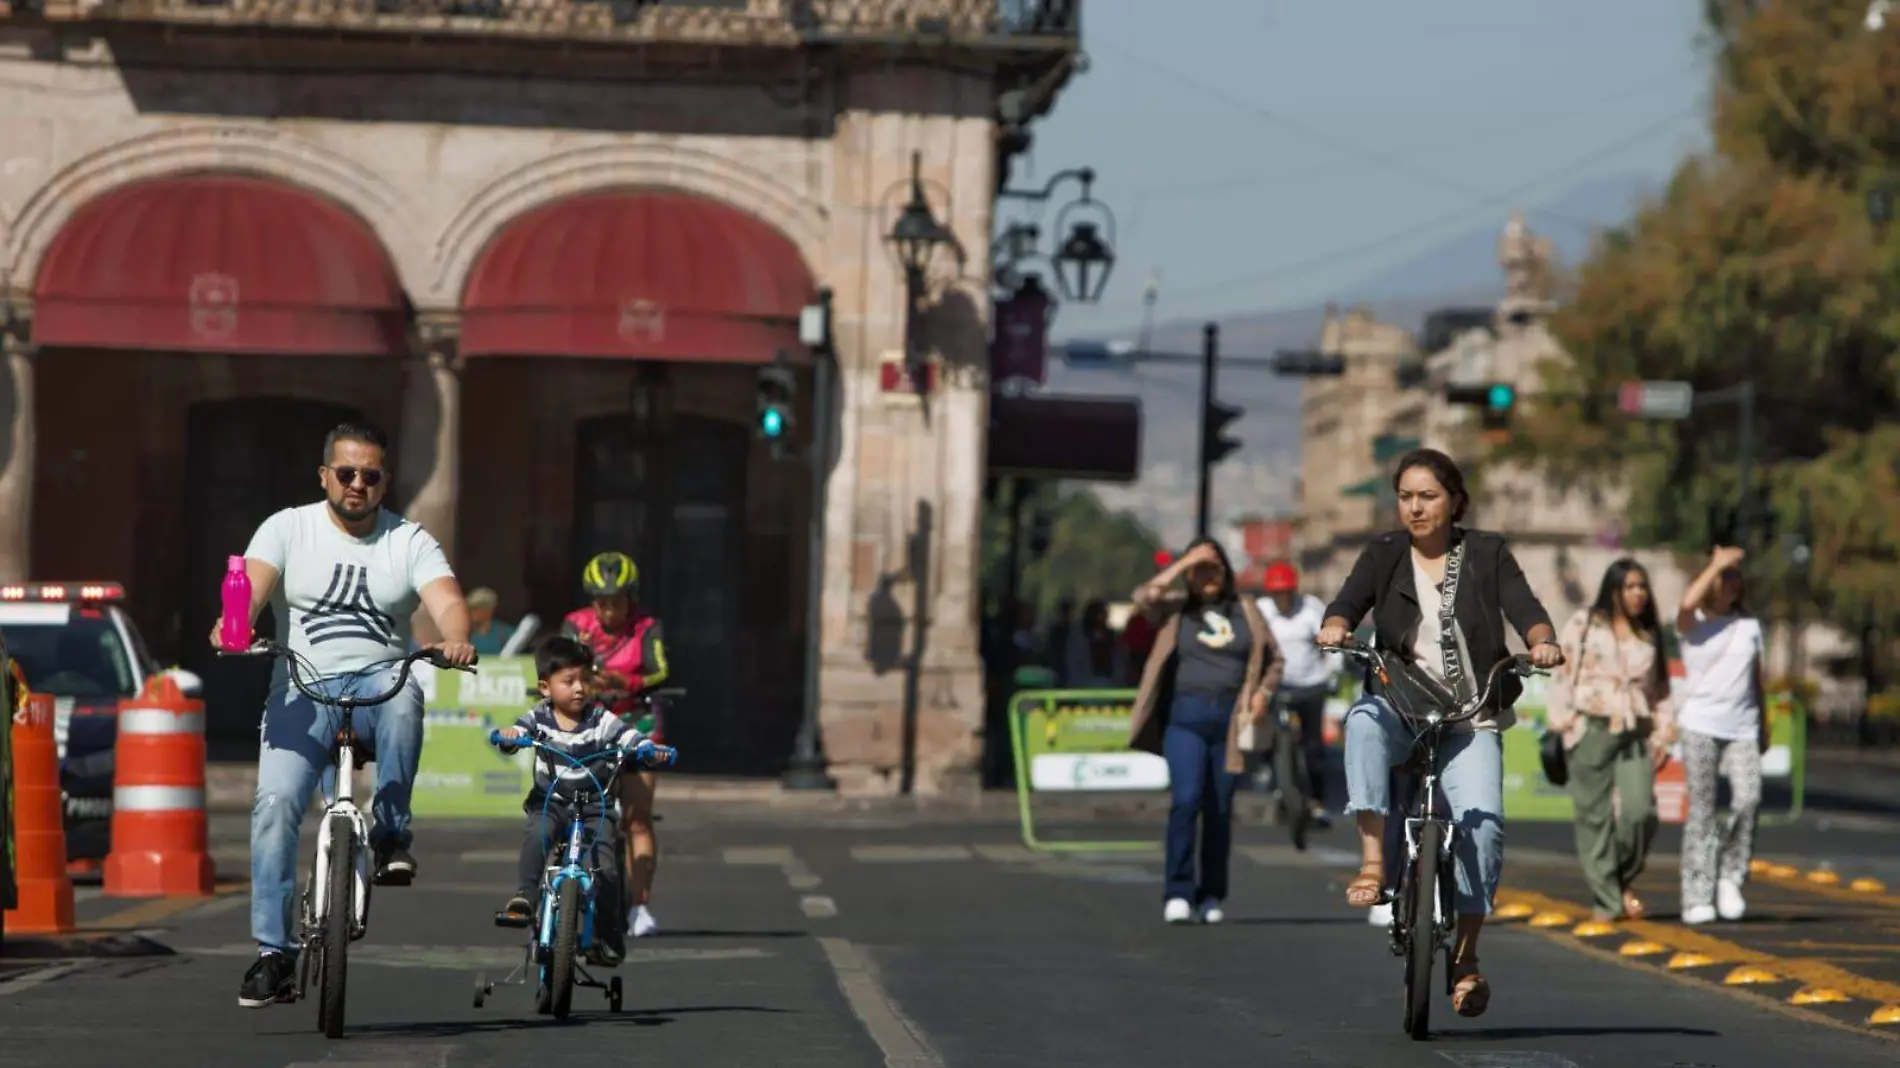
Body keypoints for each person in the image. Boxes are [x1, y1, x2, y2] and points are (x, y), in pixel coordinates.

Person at [218, 421, 477, 1008]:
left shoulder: (408, 540)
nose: (356, 484)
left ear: (384, 483)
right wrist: (234, 623)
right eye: (346, 473)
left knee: (408, 692)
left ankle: (390, 834)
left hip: (378, 683)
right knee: (275, 803)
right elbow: (252, 588)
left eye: (370, 475)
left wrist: (455, 637)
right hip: (301, 684)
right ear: (324, 476)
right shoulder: (288, 527)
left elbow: (448, 601)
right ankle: (272, 954)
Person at [1315, 448, 1562, 1018]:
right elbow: (1347, 603)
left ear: (1454, 500)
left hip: (1471, 716)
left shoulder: (1486, 552)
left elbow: (1526, 608)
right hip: (1401, 706)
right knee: (1362, 721)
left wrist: (1541, 639)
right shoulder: (1383, 554)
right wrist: (1335, 627)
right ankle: (1375, 862)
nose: (1415, 508)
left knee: (1484, 827)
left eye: (1427, 496)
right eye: (1405, 497)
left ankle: (1467, 960)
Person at [1127, 538, 1283, 926]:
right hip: (1185, 719)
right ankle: (1178, 890)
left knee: (1219, 809)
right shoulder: (1176, 610)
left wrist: (1263, 692)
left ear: (1226, 570)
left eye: (1213, 567)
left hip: (1230, 722)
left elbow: (1275, 657)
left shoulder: (1246, 610)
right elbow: (1144, 597)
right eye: (1199, 570)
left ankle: (1211, 893)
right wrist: (1183, 565)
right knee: (1186, 800)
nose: (1207, 576)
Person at [494, 636, 667, 964]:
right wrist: (510, 736)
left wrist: (645, 746)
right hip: (552, 800)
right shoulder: (539, 718)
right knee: (538, 835)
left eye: (586, 680)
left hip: (594, 806)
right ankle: (525, 896)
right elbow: (515, 735)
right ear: (545, 688)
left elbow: (627, 734)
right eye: (569, 681)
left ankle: (608, 934)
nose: (579, 688)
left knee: (605, 869)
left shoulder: (600, 719)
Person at [1546, 558, 1675, 922]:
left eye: (1643, 587)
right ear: (1614, 589)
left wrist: (1664, 734)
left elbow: (1660, 689)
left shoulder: (1648, 632)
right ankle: (1608, 901)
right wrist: (1562, 722)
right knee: (1594, 819)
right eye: (1631, 587)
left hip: (1634, 730)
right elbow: (1562, 669)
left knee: (1640, 813)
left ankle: (1619, 879)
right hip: (1590, 727)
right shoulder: (1586, 623)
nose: (1638, 594)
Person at [561, 551, 669, 939]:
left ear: (631, 598)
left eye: (617, 602)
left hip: (637, 721)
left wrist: (630, 684)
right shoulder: (576, 624)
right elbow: (561, 664)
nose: (609, 611)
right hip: (590, 724)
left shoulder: (646, 626)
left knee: (638, 817)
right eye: (602, 603)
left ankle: (640, 905)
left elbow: (660, 669)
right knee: (574, 807)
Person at [1674, 545, 1766, 925]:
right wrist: (1717, 563)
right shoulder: (1691, 623)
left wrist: (1766, 729)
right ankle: (1697, 894)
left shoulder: (1750, 627)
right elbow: (1685, 602)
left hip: (1743, 727)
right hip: (1700, 725)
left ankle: (1731, 877)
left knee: (1749, 799)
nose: (1730, 583)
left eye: (1734, 577)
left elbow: (1759, 681)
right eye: (1723, 578)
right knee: (1704, 810)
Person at [1256, 560, 1338, 826]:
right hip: (1276, 686)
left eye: (1285, 593)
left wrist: (1331, 675)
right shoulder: (1262, 611)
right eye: (1276, 594)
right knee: (1268, 735)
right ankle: (1276, 778)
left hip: (1311, 684)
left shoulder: (1311, 608)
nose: (1281, 600)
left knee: (1313, 747)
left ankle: (1316, 802)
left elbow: (1330, 643)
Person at [1062, 599, 1127, 688]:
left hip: (1110, 683)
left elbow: (1120, 660)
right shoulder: (1078, 637)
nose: (1102, 617)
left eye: (1104, 614)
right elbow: (1073, 662)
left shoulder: (1113, 637)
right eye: (1099, 613)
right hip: (1084, 683)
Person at [467, 587, 517, 657]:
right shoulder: (465, 632)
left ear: (489, 610)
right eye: (471, 608)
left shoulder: (504, 633)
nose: (472, 612)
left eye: (476, 608)